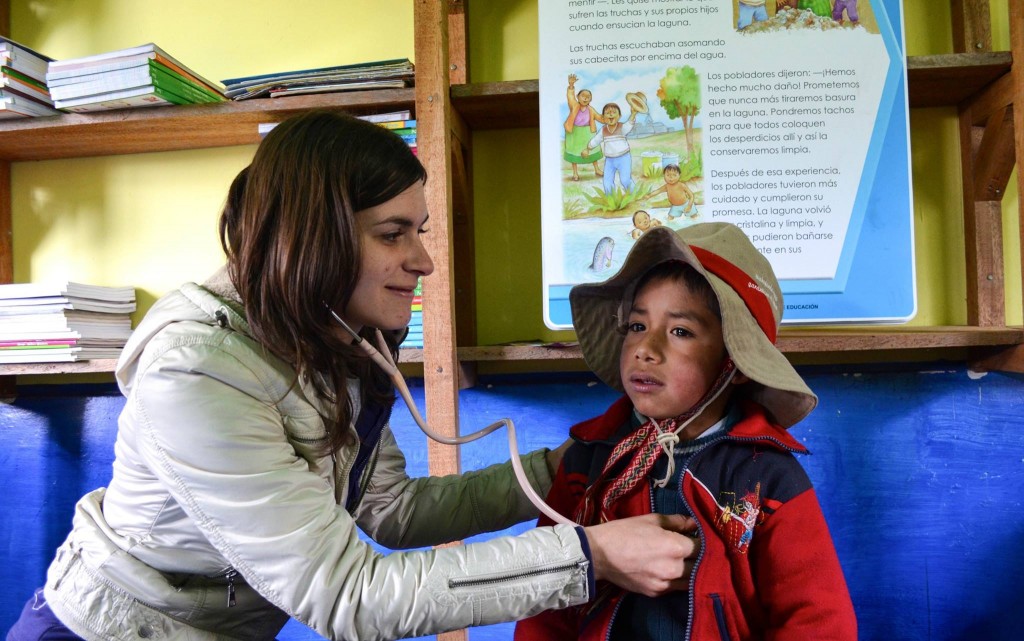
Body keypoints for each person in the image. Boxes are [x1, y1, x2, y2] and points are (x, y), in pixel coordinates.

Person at [6, 111, 702, 641]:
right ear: (313, 235)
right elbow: (351, 594)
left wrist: (568, 467)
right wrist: (587, 555)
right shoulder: (195, 375)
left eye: (420, 230)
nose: (424, 260)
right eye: (393, 233)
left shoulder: (336, 339)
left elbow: (393, 512)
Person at [515, 223, 858, 640]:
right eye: (638, 326)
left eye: (680, 331)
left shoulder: (768, 478)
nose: (646, 348)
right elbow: (545, 604)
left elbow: (819, 620)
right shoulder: (589, 462)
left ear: (734, 363)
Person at [583, 102, 638, 195]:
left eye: (614, 112)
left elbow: (629, 124)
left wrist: (633, 114)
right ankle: (611, 199)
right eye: (608, 113)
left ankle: (635, 195)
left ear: (619, 116)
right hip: (610, 160)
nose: (611, 114)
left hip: (623, 158)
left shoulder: (622, 127)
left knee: (625, 180)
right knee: (607, 182)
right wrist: (588, 148)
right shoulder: (603, 130)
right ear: (603, 118)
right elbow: (596, 140)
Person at [564, 73, 606, 181]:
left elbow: (600, 118)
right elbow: (570, 97)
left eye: (588, 97)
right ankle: (575, 173)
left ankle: (597, 169)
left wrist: (609, 117)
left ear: (590, 99)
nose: (585, 98)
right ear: (578, 97)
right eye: (583, 96)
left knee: (592, 150)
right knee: (574, 152)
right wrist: (571, 86)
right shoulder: (574, 105)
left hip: (588, 132)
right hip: (574, 132)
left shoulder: (590, 109)